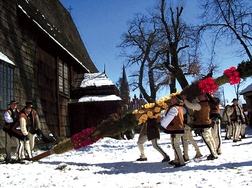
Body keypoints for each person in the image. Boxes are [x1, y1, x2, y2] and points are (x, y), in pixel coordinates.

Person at [183, 94, 218, 160]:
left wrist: (185, 99)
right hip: (208, 123)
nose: (200, 96)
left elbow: (190, 105)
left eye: (202, 96)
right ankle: (214, 152)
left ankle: (213, 154)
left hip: (203, 124)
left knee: (207, 140)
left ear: (205, 97)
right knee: (210, 138)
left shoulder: (200, 105)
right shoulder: (207, 103)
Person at [160, 94, 185, 167]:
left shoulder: (174, 109)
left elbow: (168, 119)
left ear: (176, 100)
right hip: (179, 128)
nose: (171, 99)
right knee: (175, 145)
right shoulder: (180, 108)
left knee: (175, 145)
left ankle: (181, 161)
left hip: (175, 129)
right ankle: (177, 159)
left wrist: (161, 124)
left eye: (173, 98)